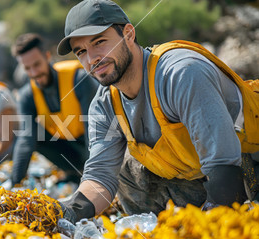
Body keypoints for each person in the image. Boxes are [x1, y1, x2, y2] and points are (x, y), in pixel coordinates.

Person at [57, 0, 259, 223]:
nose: (92, 58)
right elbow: (100, 176)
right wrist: (68, 212)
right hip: (200, 174)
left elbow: (223, 161)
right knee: (128, 172)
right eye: (81, 51)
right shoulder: (104, 105)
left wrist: (213, 226)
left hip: (244, 163)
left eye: (100, 42)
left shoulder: (180, 73)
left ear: (128, 34)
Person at [10, 33, 99, 186]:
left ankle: (88, 173)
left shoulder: (79, 79)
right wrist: (14, 183)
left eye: (37, 64)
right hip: (70, 153)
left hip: (97, 144)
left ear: (47, 56)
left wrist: (95, 179)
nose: (33, 73)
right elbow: (26, 140)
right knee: (31, 133)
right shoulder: (27, 96)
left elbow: (94, 131)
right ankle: (74, 172)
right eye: (27, 68)